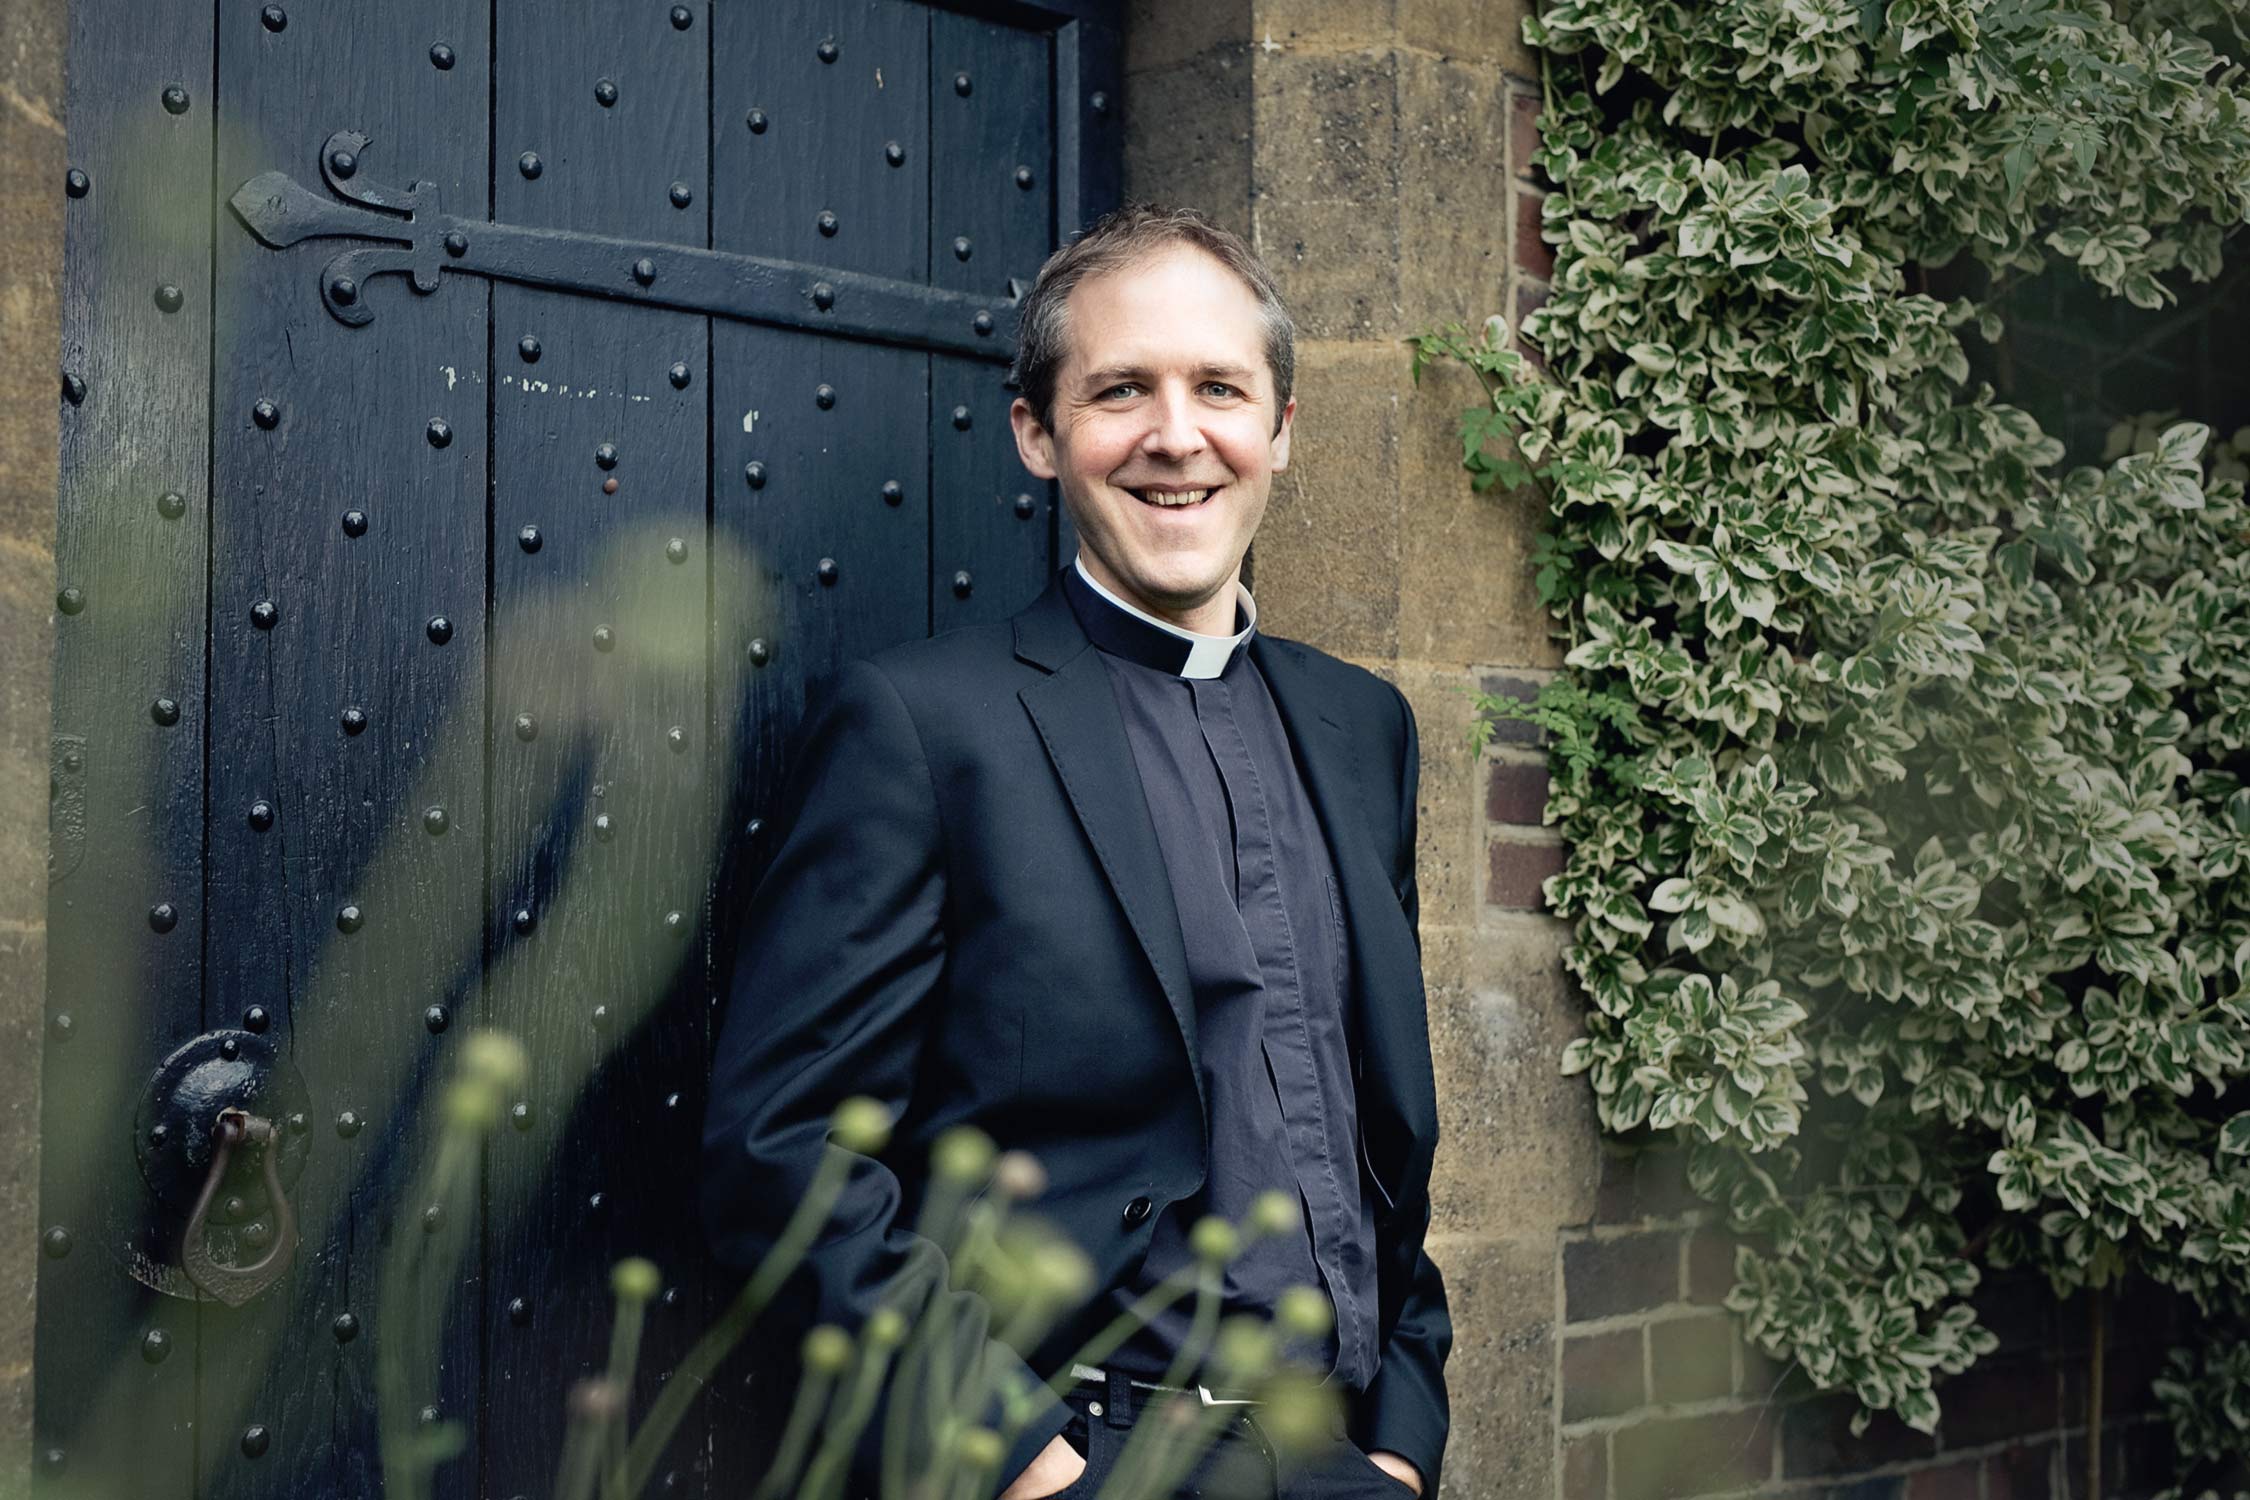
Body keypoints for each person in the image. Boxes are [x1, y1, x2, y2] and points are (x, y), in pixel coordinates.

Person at [701, 204, 1449, 1500]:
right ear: (1038, 435)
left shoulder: (1362, 726)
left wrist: (1404, 1436)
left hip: (1345, 1461)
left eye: (1220, 387)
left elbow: (1363, 1121)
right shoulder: (924, 725)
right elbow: (784, 1143)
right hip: (1088, 1459)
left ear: (1279, 429)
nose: (1176, 434)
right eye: (1120, 391)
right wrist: (1021, 1467)